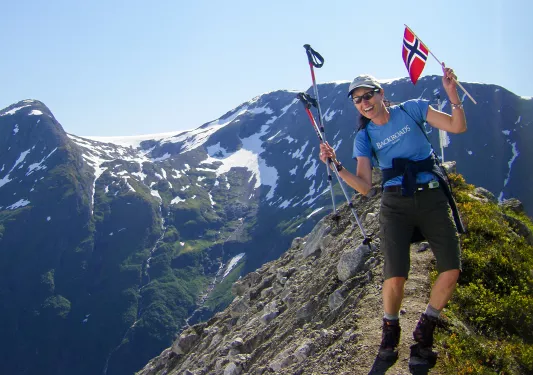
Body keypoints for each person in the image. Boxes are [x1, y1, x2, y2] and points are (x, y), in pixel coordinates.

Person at [319, 65, 466, 361]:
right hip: (395, 205)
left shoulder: (412, 109)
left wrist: (453, 96)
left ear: (381, 94)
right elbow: (363, 186)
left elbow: (457, 127)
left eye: (368, 95)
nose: (364, 102)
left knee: (451, 268)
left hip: (432, 197)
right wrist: (336, 164)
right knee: (395, 275)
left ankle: (425, 327)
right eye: (358, 100)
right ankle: (390, 330)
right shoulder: (364, 137)